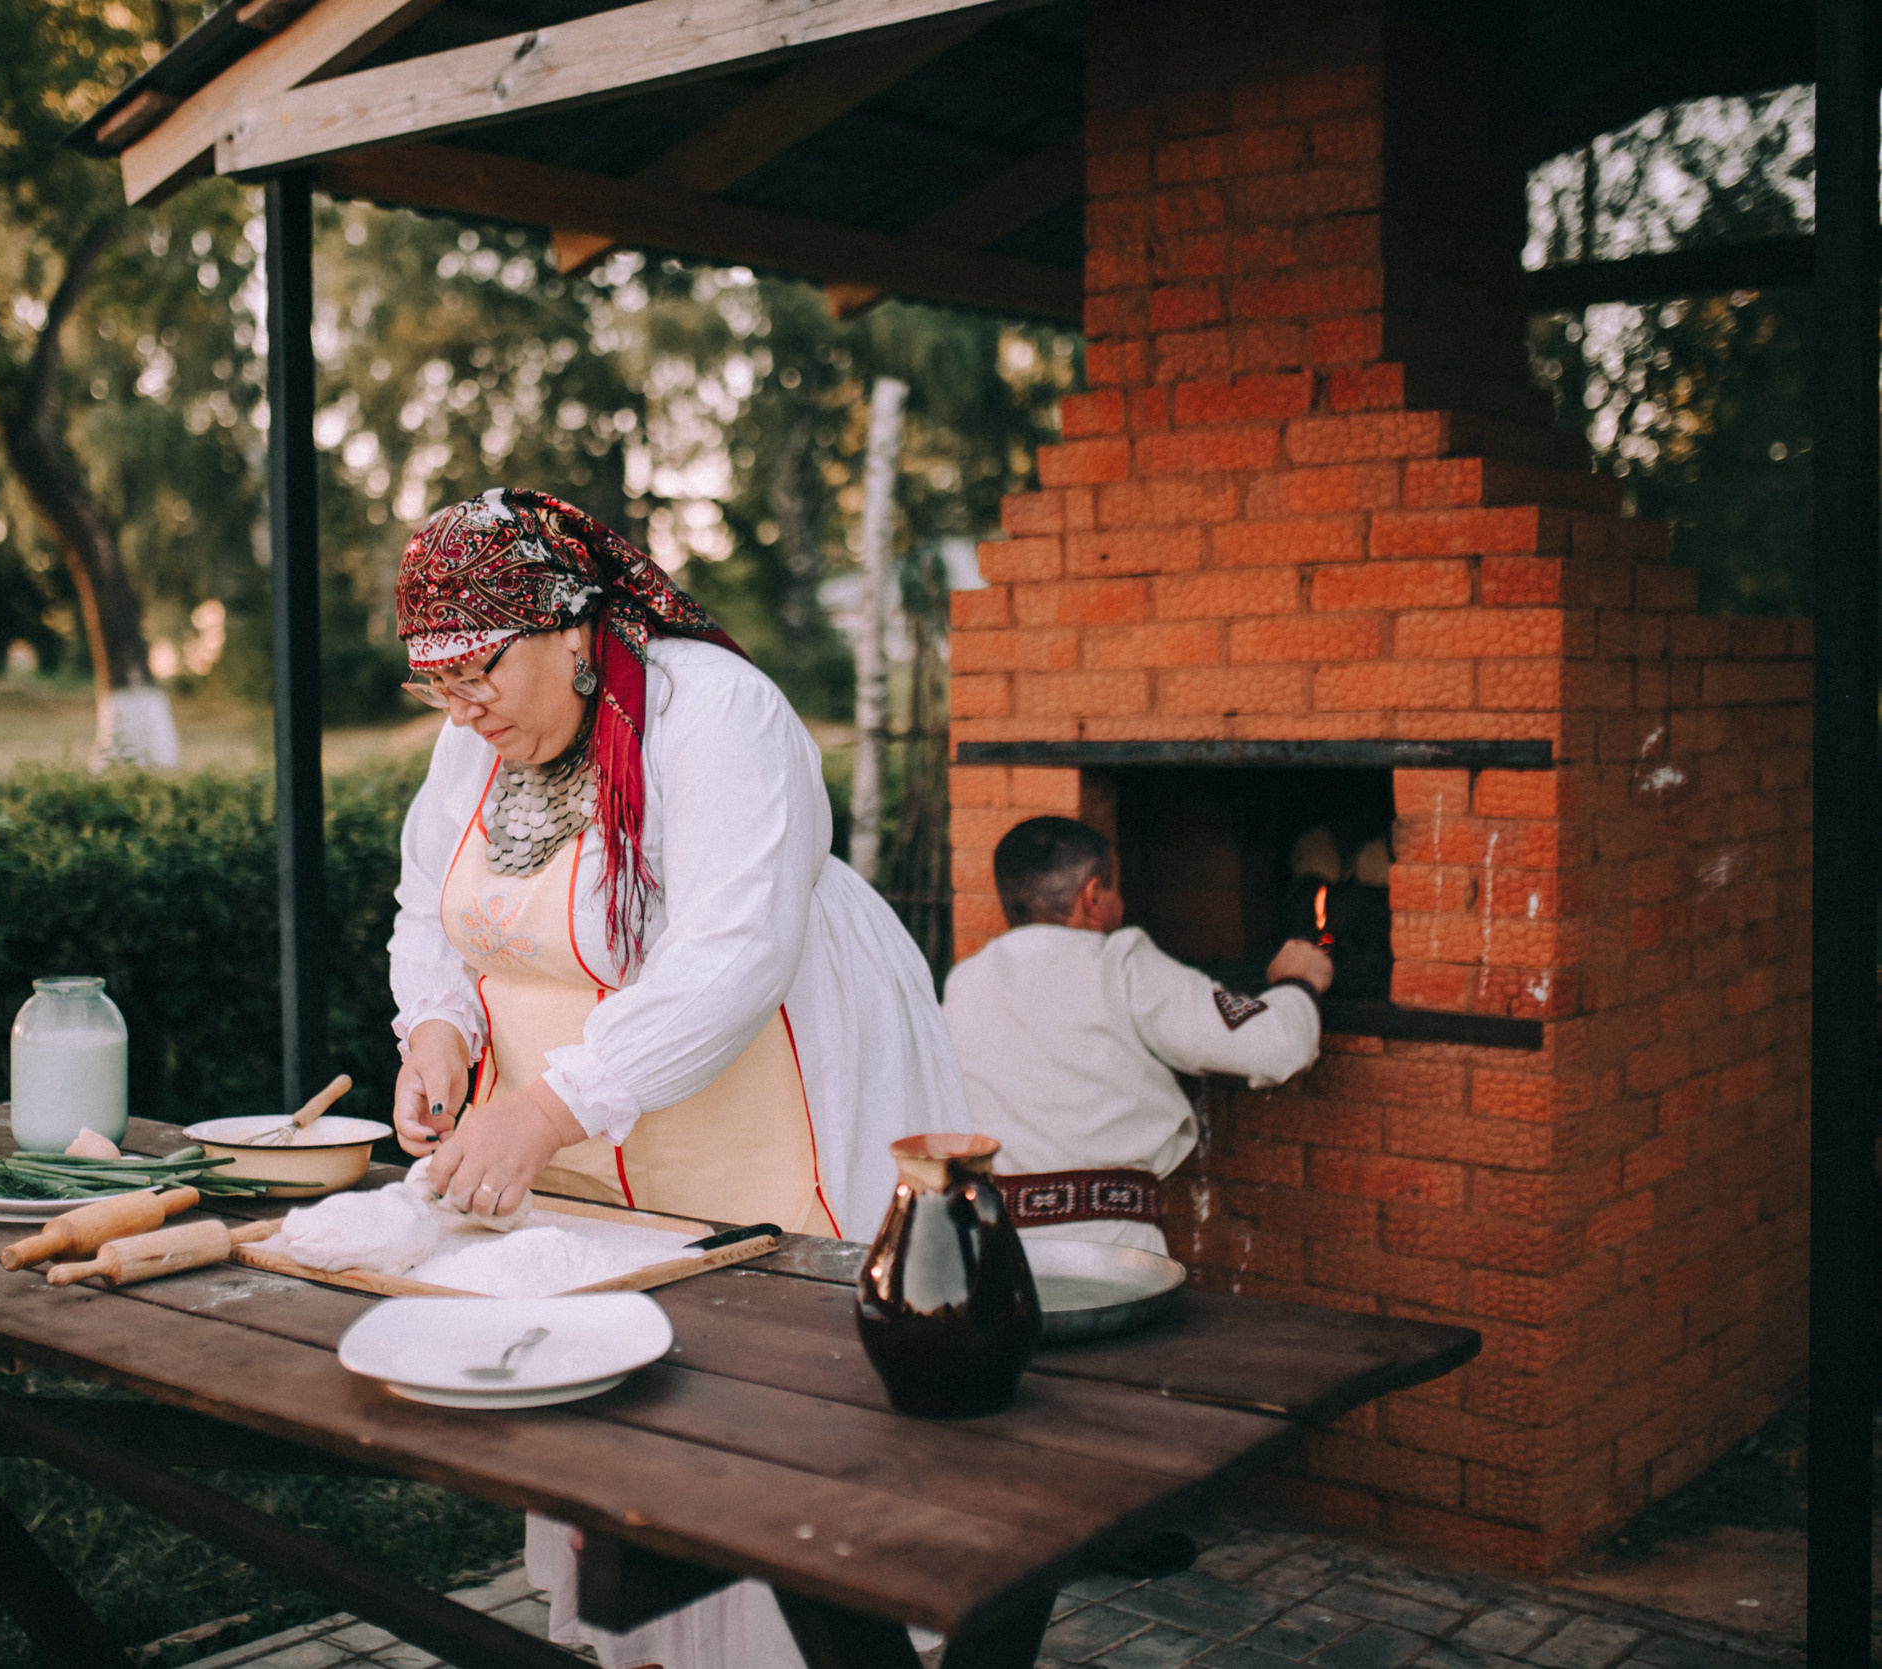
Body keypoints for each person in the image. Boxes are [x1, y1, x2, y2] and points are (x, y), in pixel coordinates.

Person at [382, 487, 968, 1669]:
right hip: (597, 1145)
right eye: (434, 683)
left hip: (774, 1075)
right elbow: (427, 904)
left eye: (481, 670)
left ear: (570, 626)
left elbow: (732, 956)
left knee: (768, 1424)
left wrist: (545, 1106)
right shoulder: (474, 735)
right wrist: (434, 1028)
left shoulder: (718, 715)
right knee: (617, 1415)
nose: (462, 707)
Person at [943, 816, 1332, 1256]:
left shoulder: (965, 982)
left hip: (988, 1252)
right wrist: (1298, 983)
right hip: (1109, 1255)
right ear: (1093, 896)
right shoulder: (1122, 965)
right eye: (1115, 889)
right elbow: (1275, 1046)